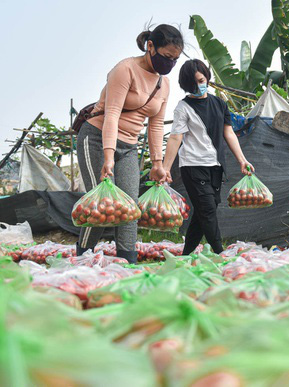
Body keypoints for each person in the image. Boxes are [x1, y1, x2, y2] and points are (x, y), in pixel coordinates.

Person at [76, 24, 183, 263]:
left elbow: (155, 125)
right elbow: (112, 114)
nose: (170, 64)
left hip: (129, 146)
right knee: (102, 205)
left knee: (130, 208)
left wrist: (158, 163)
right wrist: (108, 156)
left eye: (174, 60)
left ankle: (127, 261)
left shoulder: (164, 83)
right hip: (96, 138)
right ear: (150, 46)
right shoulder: (125, 70)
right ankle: (83, 257)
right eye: (166, 57)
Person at [162, 59, 254, 255]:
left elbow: (228, 133)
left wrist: (242, 160)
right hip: (193, 166)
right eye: (192, 84)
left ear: (207, 77)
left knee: (204, 211)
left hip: (215, 166)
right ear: (186, 86)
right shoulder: (183, 107)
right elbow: (176, 137)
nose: (198, 86)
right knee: (208, 210)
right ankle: (220, 253)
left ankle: (185, 256)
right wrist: (165, 168)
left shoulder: (220, 104)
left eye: (201, 80)